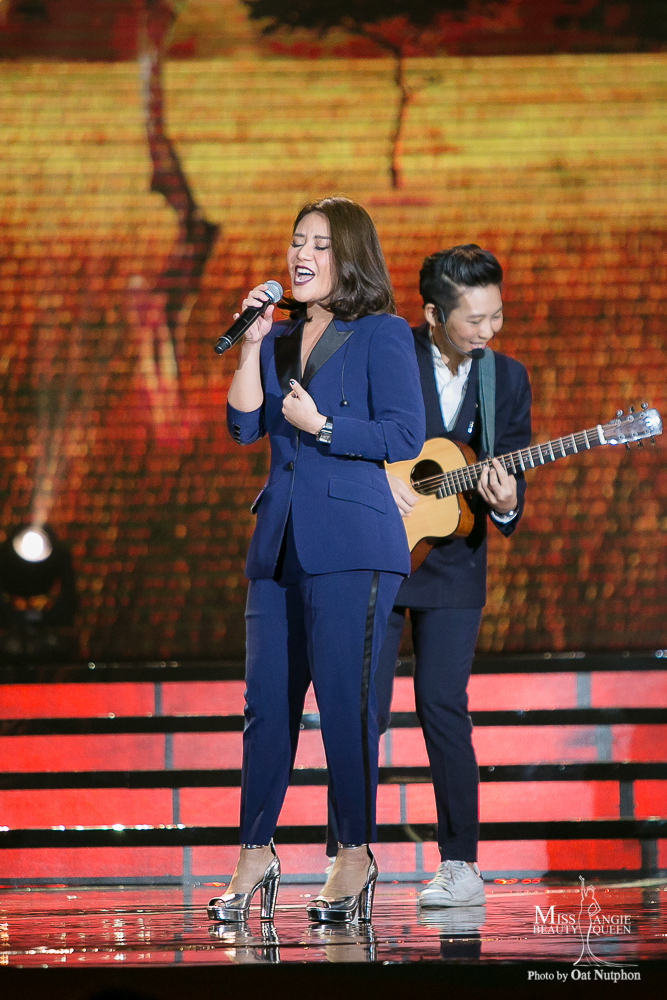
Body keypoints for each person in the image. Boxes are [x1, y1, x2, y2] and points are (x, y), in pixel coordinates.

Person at [208, 197, 425, 925]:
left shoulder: (382, 332)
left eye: (319, 244)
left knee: (344, 705)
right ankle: (254, 852)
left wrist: (325, 426)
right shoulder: (276, 338)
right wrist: (249, 345)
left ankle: (353, 854)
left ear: (350, 256)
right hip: (279, 544)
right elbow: (244, 426)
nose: (301, 254)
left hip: (354, 544)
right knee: (265, 707)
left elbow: (404, 434)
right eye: (296, 240)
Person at [375, 244, 532, 907]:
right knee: (361, 709)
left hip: (456, 561)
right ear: (433, 314)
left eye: (496, 316)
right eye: (474, 319)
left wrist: (507, 501)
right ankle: (349, 858)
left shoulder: (507, 378)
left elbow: (510, 472)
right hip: (381, 551)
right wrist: (378, 487)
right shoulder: (387, 357)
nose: (488, 330)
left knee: (443, 706)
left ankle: (460, 864)